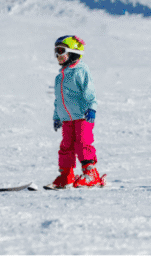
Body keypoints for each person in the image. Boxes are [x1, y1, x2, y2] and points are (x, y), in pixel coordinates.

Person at [48, 35, 105, 189]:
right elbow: (58, 99)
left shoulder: (81, 71)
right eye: (56, 51)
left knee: (83, 143)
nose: (57, 55)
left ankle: (91, 174)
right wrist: (57, 116)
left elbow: (89, 92)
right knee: (66, 146)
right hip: (66, 118)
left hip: (82, 116)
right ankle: (66, 176)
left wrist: (92, 107)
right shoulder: (60, 76)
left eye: (61, 51)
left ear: (73, 52)